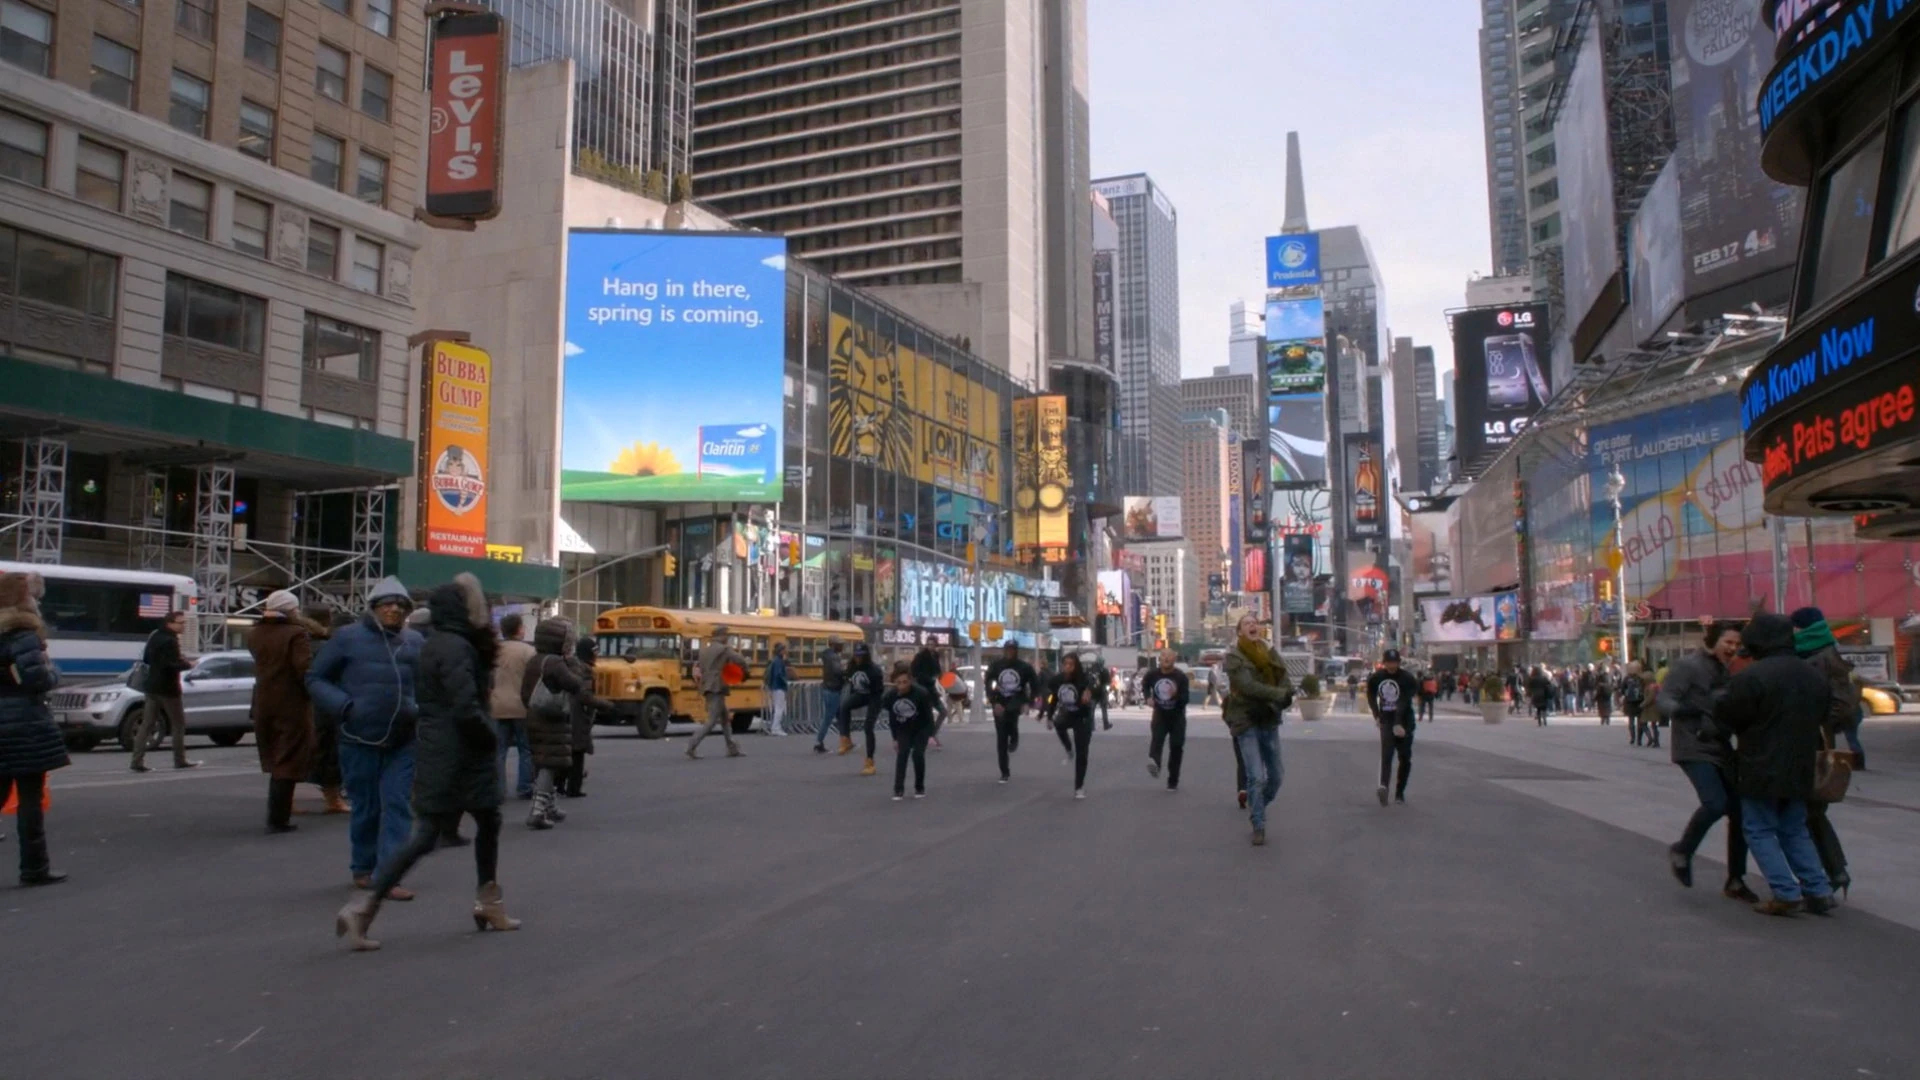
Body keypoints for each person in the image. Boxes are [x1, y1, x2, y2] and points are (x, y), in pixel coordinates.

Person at [335, 574, 518, 950]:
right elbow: (465, 706)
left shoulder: (436, 642)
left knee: (458, 827)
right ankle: (368, 906)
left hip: (442, 749)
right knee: (452, 829)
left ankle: (367, 907)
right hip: (462, 752)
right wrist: (489, 736)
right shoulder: (457, 647)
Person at [1713, 613, 1838, 916]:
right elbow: (1826, 714)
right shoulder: (1812, 675)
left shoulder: (1752, 677)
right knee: (1794, 827)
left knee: (1758, 828)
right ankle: (1818, 889)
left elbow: (1729, 717)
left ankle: (1785, 891)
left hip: (1760, 763)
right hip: (1801, 763)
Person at [308, 577, 423, 897]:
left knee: (398, 804)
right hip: (358, 737)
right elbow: (316, 678)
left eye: (400, 605)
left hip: (402, 738)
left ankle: (389, 875)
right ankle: (363, 866)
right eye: (387, 604)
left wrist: (421, 709)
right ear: (373, 608)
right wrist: (344, 707)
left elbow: (428, 683)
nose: (394, 609)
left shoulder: (414, 641)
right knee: (367, 807)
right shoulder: (347, 638)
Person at [1658, 621, 1759, 903]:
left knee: (1739, 811)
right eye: (1728, 642)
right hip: (1693, 746)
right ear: (1713, 641)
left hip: (1721, 745)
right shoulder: (1689, 666)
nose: (1733, 648)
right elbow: (1664, 699)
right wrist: (1685, 711)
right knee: (1715, 803)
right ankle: (1683, 850)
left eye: (1737, 644)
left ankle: (1736, 879)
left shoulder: (1731, 670)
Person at [0, 572, 69, 886]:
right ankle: (35, 868)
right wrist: (53, 674)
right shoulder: (23, 633)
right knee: (30, 798)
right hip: (24, 723)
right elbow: (36, 679)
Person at [1790, 607, 1857, 896]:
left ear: (1803, 628)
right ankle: (1832, 872)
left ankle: (1830, 873)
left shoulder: (1823, 656)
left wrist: (1815, 721)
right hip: (1809, 741)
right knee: (1811, 812)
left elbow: (1842, 705)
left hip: (1812, 743)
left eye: (1795, 627)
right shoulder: (1815, 653)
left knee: (1808, 812)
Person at [248, 590, 319, 834]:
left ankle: (277, 815)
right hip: (291, 702)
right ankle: (278, 817)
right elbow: (304, 668)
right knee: (289, 758)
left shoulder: (255, 633)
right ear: (290, 609)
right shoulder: (295, 634)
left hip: (263, 701)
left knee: (275, 756)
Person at [1223, 615, 1292, 846]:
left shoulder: (1269, 652)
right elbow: (1247, 686)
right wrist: (1278, 694)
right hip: (1246, 720)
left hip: (1269, 718)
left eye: (1255, 622)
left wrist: (1285, 695)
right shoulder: (1234, 656)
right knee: (1256, 776)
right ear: (1239, 631)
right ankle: (1258, 824)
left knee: (1277, 776)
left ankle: (1257, 805)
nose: (1252, 625)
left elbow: (1283, 677)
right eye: (1247, 623)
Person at [522, 619, 583, 827]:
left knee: (543, 761)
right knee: (550, 763)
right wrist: (572, 662)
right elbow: (574, 684)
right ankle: (538, 810)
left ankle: (550, 805)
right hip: (552, 718)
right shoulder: (556, 663)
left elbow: (525, 691)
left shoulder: (534, 660)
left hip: (533, 715)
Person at [130, 610, 199, 772]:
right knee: (178, 724)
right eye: (180, 623)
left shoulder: (155, 636)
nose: (183, 626)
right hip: (168, 688)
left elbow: (147, 659)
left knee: (147, 724)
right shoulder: (171, 641)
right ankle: (179, 759)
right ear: (170, 623)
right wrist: (188, 664)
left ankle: (136, 761)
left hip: (151, 686)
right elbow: (172, 665)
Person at [489, 614, 537, 800]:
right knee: (526, 749)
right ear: (519, 629)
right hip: (522, 706)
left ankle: (498, 790)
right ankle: (524, 786)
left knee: (499, 751)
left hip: (497, 705)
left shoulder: (494, 650)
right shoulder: (528, 651)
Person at [1368, 649, 1421, 806]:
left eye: (1394, 663)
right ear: (1384, 663)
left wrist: (1399, 724)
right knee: (1387, 754)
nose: (1392, 666)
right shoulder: (1377, 678)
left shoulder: (1407, 678)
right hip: (1386, 720)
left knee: (1404, 757)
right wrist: (1376, 715)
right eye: (1389, 663)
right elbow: (1371, 696)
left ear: (1398, 663)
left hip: (1405, 721)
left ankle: (1400, 792)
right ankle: (1384, 787)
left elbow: (1403, 701)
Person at [879, 662, 938, 801]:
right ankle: (898, 789)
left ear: (910, 681)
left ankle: (919, 787)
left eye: (905, 682)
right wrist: (894, 738)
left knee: (918, 754)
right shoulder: (890, 696)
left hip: (921, 727)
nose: (902, 686)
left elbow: (929, 716)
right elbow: (893, 718)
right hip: (903, 728)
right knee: (902, 754)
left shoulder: (921, 693)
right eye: (898, 683)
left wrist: (931, 735)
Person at [687, 626, 747, 760]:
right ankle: (692, 745)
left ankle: (732, 747)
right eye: (727, 635)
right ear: (722, 636)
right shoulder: (724, 649)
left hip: (707, 686)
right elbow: (740, 660)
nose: (727, 638)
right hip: (717, 687)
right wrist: (745, 672)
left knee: (725, 718)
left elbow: (700, 667)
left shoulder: (704, 651)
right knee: (712, 720)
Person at [984, 641, 1038, 784]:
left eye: (1013, 650)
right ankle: (1004, 772)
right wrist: (993, 701)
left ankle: (1014, 737)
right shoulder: (997, 665)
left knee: (1011, 718)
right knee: (1001, 736)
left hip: (1016, 699)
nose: (1010, 652)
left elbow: (1035, 684)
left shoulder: (1024, 667)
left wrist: (1029, 702)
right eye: (1008, 649)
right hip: (1000, 700)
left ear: (1016, 651)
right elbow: (988, 683)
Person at [562, 635, 605, 796]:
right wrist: (604, 705)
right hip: (579, 714)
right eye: (595, 651)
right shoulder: (585, 670)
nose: (597, 655)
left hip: (568, 712)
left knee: (568, 749)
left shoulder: (570, 665)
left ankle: (560, 784)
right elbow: (585, 696)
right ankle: (574, 787)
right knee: (578, 751)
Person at [1049, 653, 1096, 799]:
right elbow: (1053, 697)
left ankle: (1079, 786)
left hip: (1083, 717)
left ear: (1076, 666)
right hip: (1068, 714)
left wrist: (1089, 690)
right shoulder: (1058, 680)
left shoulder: (1083, 678)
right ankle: (1069, 749)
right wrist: (1049, 716)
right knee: (1058, 723)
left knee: (1082, 753)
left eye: (1071, 664)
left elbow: (1092, 682)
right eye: (1065, 664)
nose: (1068, 667)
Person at [1143, 650, 1189, 790]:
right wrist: (1148, 697)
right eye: (1163, 656)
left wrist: (1176, 695)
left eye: (1169, 656)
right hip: (1160, 715)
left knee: (1176, 747)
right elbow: (1145, 685)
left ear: (1174, 659)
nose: (1166, 659)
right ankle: (1155, 764)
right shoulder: (1152, 674)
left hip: (1177, 717)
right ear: (1160, 659)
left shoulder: (1181, 677)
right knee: (1156, 741)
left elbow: (1186, 699)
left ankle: (1173, 780)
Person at [838, 642, 885, 775]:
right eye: (856, 655)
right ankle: (846, 739)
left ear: (866, 656)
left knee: (868, 727)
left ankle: (870, 761)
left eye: (861, 656)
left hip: (874, 696)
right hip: (860, 694)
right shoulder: (852, 666)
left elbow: (878, 692)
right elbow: (848, 680)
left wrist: (874, 707)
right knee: (844, 706)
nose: (858, 658)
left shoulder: (874, 670)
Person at [816, 639, 847, 755]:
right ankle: (819, 742)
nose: (842, 647)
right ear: (834, 645)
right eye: (840, 644)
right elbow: (837, 671)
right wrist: (846, 672)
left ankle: (846, 741)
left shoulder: (827, 656)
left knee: (840, 717)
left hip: (829, 689)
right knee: (828, 718)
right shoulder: (834, 657)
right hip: (833, 690)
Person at [763, 642, 791, 737]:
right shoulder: (779, 661)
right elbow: (779, 674)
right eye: (784, 649)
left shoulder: (774, 660)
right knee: (780, 708)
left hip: (774, 687)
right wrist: (785, 683)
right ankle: (776, 728)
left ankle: (775, 727)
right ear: (781, 651)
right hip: (779, 687)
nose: (786, 651)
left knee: (777, 708)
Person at [1621, 662, 1649, 745]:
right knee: (1640, 721)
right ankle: (1639, 740)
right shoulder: (1641, 678)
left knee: (1631, 721)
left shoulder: (1627, 678)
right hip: (1640, 702)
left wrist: (1626, 695)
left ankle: (1632, 738)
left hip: (1629, 702)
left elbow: (1622, 689)